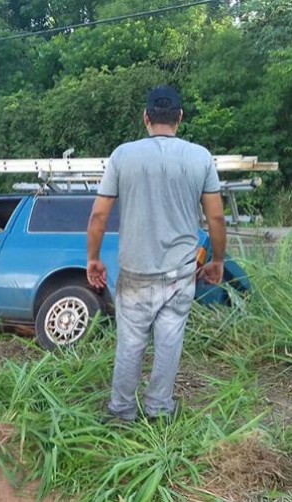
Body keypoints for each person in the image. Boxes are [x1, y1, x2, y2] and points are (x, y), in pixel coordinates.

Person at [86, 85, 226, 422]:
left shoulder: (123, 156)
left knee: (131, 343)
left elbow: (99, 216)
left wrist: (93, 258)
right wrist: (218, 260)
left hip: (135, 272)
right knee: (169, 341)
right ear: (180, 117)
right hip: (180, 273)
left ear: (146, 117)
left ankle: (121, 412)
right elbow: (216, 217)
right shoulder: (200, 157)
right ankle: (159, 409)